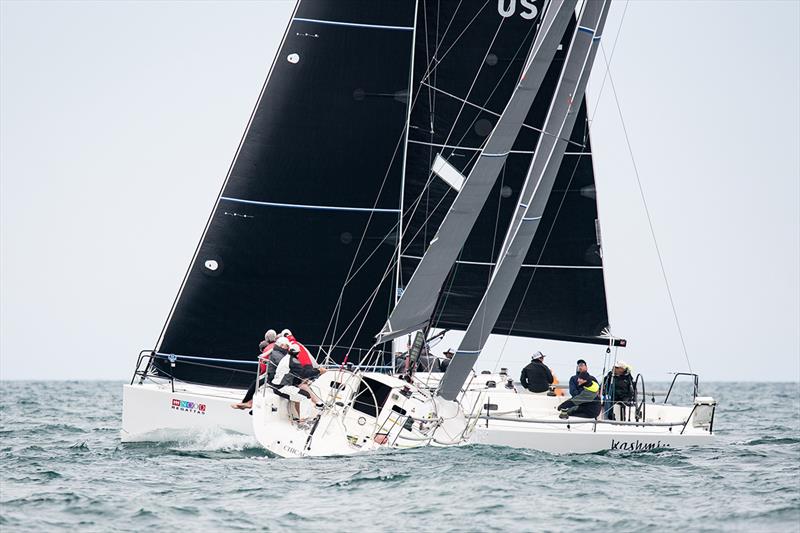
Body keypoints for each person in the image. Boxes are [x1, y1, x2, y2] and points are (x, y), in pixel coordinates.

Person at [231, 329, 279, 409]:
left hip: (271, 375)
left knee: (255, 384)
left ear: (266, 338)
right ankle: (248, 402)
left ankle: (245, 402)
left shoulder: (267, 349)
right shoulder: (277, 345)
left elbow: (264, 367)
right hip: (277, 373)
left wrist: (261, 375)